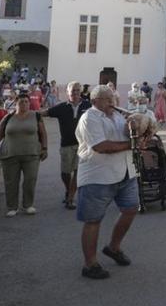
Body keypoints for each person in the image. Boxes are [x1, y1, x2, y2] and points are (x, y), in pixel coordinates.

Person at [74, 85, 140, 280]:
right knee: (93, 220)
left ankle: (113, 247)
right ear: (95, 102)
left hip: (126, 171)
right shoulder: (90, 117)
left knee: (131, 209)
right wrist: (132, 144)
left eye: (113, 98)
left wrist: (135, 128)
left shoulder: (118, 116)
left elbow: (127, 137)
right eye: (107, 99)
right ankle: (90, 264)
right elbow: (101, 146)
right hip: (98, 176)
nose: (112, 102)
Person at [0, 89, 47, 217]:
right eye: (21, 102)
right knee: (11, 181)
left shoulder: (36, 116)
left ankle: (28, 205)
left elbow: (43, 133)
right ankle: (12, 207)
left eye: (26, 102)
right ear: (16, 103)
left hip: (32, 154)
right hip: (10, 154)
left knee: (30, 180)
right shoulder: (8, 117)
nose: (24, 104)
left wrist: (44, 148)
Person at [44, 81, 90, 210]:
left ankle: (70, 197)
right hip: (66, 144)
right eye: (72, 90)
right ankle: (68, 189)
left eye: (77, 90)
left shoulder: (88, 105)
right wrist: (27, 113)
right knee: (65, 172)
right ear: (67, 92)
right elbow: (45, 113)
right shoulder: (61, 107)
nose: (75, 92)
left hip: (82, 145)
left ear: (80, 91)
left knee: (77, 171)